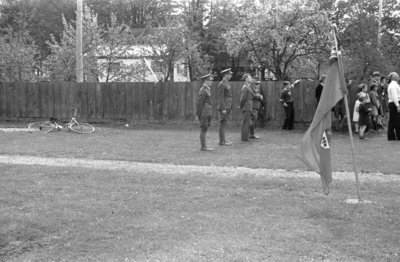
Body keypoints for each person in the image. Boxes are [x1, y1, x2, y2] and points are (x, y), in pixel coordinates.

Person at [196, 74, 214, 151]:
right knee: (204, 129)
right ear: (206, 81)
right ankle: (203, 147)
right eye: (210, 80)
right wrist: (198, 114)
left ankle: (204, 146)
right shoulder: (203, 89)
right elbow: (199, 103)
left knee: (205, 129)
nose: (211, 82)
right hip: (204, 113)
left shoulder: (207, 89)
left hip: (207, 112)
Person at [217, 68, 233, 146]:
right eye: (229, 74)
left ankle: (223, 140)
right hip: (224, 107)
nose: (231, 75)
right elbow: (220, 97)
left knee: (224, 123)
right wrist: (223, 108)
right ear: (226, 75)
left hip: (227, 106)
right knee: (222, 123)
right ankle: (222, 141)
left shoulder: (227, 83)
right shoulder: (222, 84)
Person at [240, 73, 254, 141]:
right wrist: (242, 107)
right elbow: (243, 99)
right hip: (246, 107)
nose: (251, 79)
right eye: (250, 77)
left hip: (248, 106)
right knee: (245, 123)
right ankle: (244, 137)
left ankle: (245, 136)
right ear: (246, 79)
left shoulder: (248, 86)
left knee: (247, 122)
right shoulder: (245, 87)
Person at [387, 72, 400, 140]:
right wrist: (397, 105)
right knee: (397, 120)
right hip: (394, 103)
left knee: (392, 121)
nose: (399, 77)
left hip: (393, 103)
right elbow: (394, 96)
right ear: (394, 77)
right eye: (397, 76)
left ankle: (391, 136)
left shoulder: (394, 84)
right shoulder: (393, 85)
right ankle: (398, 136)